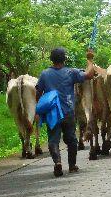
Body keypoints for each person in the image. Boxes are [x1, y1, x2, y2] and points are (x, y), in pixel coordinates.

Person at [36, 48, 95, 177]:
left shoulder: (45, 74)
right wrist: (90, 59)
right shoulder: (71, 72)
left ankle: (57, 162)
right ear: (64, 59)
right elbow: (89, 75)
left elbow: (38, 92)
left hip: (53, 114)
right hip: (68, 112)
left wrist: (39, 109)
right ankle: (72, 166)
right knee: (72, 140)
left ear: (51, 59)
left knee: (53, 140)